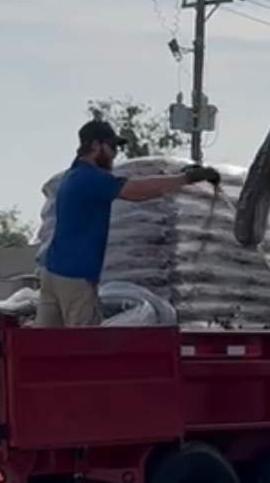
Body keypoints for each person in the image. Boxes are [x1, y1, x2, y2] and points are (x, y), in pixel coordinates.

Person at [37, 117, 220, 328]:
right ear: (95, 146)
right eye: (112, 146)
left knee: (45, 344)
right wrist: (184, 179)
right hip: (75, 276)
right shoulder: (89, 178)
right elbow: (135, 191)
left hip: (53, 272)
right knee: (84, 347)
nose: (115, 154)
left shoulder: (72, 176)